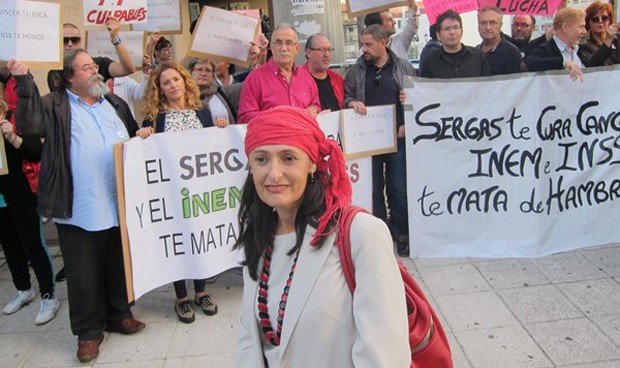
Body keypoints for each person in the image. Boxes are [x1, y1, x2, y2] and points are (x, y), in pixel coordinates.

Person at [234, 106, 409, 367]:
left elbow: (384, 355)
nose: (273, 173)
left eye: (289, 158)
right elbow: (249, 336)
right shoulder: (258, 237)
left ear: (312, 163)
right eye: (261, 159)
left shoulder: (361, 233)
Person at [10, 49, 144, 364]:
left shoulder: (113, 102)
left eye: (94, 66)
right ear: (69, 77)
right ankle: (89, 332)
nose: (95, 72)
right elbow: (28, 127)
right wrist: (24, 81)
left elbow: (132, 132)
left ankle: (119, 313)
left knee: (117, 262)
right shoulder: (54, 104)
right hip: (80, 204)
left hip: (119, 201)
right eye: (86, 68)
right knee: (83, 272)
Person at [137, 62, 225, 323]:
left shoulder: (201, 111)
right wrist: (142, 133)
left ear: (184, 81)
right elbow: (145, 149)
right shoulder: (154, 117)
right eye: (166, 82)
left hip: (198, 192)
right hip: (170, 191)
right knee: (177, 241)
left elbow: (211, 146)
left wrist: (220, 128)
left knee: (198, 238)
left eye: (176, 79)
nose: (173, 85)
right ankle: (181, 298)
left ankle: (201, 292)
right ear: (160, 90)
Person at [344, 24, 415, 257]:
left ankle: (401, 233)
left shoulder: (403, 66)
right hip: (367, 140)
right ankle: (379, 231)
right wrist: (352, 103)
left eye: (368, 44)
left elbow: (416, 98)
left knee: (398, 187)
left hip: (398, 138)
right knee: (373, 189)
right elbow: (347, 96)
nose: (363, 49)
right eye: (362, 44)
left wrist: (407, 121)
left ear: (383, 43)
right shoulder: (356, 70)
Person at [0, 74, 59, 325]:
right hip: (1, 200)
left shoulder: (15, 118)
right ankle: (24, 289)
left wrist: (13, 137)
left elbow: (36, 151)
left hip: (21, 195)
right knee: (10, 246)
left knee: (33, 244)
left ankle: (49, 294)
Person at [238, 24, 320, 123]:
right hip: (272, 137)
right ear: (272, 47)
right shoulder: (255, 78)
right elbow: (244, 118)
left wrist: (314, 108)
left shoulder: (306, 77)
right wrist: (280, 116)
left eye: (289, 43)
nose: (284, 48)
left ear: (297, 48)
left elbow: (315, 105)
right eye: (278, 43)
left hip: (304, 137)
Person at [48, 20, 135, 92]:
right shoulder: (53, 73)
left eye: (75, 40)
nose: (70, 44)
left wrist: (115, 38)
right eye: (65, 40)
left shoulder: (96, 64)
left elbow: (127, 69)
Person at [419, 10, 491, 78]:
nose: (452, 32)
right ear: (438, 35)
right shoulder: (430, 61)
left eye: (456, 27)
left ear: (462, 32)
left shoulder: (478, 56)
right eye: (447, 29)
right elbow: (425, 88)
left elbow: (487, 86)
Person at [524, 7, 588, 81]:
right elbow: (528, 63)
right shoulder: (546, 49)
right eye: (581, 27)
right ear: (565, 27)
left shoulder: (580, 51)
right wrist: (563, 62)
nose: (584, 31)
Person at [188, 58, 237, 124]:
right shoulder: (184, 96)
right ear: (190, 72)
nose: (203, 74)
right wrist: (211, 123)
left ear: (213, 75)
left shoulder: (219, 92)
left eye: (208, 70)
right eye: (199, 69)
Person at [303, 33, 344, 111]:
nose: (327, 55)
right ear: (308, 53)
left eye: (329, 50)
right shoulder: (298, 80)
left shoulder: (338, 79)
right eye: (322, 50)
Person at [477, 7, 523, 75]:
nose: (488, 27)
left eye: (493, 23)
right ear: (478, 26)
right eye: (483, 23)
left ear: (500, 25)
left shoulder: (511, 52)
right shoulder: (475, 53)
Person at [578, 1, 620, 66]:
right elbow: (591, 65)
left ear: (610, 21)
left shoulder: (617, 41)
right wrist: (608, 40)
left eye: (604, 18)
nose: (600, 22)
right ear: (588, 23)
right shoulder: (583, 46)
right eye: (595, 19)